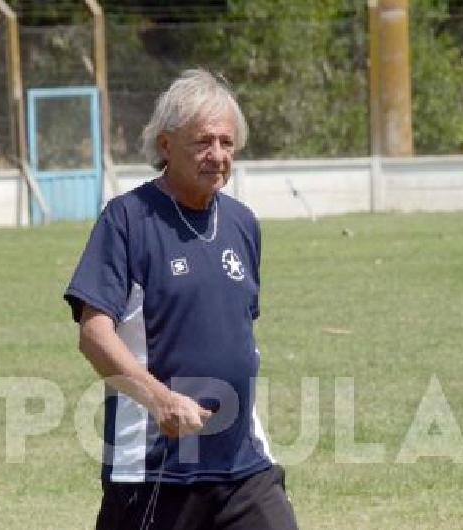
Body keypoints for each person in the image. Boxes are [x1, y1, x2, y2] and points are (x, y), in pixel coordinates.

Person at [64, 68, 298, 530]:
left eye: (227, 143)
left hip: (242, 462)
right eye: (203, 142)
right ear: (166, 144)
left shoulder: (242, 224)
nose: (217, 156)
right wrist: (160, 400)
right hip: (154, 467)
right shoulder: (127, 221)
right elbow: (93, 335)